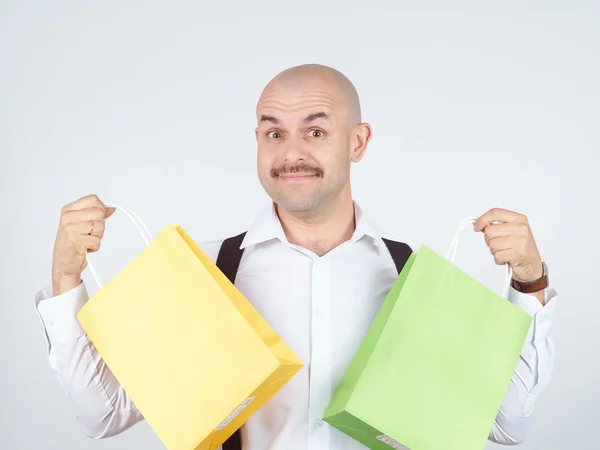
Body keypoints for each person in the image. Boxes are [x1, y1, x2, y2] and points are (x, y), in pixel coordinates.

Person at [35, 64, 558, 450]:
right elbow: (104, 415)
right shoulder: (204, 272)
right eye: (273, 132)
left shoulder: (410, 277)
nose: (290, 154)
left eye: (315, 130)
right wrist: (65, 278)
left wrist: (530, 284)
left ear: (358, 142)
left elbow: (504, 423)